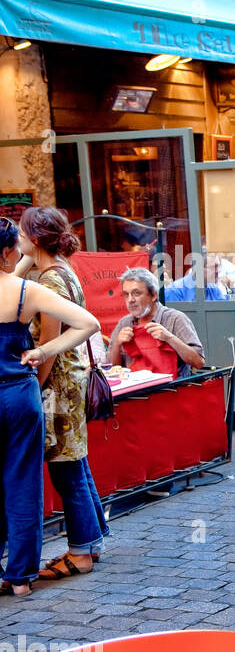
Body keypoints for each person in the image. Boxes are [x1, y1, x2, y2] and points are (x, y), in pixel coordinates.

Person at [15, 208, 110, 585]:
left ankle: (80, 553)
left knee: (65, 468)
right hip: (72, 379)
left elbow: (47, 345)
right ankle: (91, 540)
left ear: (36, 238)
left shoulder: (50, 280)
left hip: (57, 383)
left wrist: (33, 387)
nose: (18, 238)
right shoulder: (62, 269)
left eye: (23, 232)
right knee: (77, 463)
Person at [0, 251, 101, 596]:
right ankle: (21, 578)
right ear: (6, 252)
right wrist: (43, 351)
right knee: (23, 485)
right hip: (19, 395)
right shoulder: (26, 291)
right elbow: (89, 323)